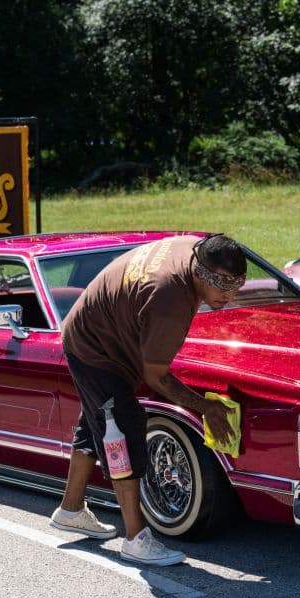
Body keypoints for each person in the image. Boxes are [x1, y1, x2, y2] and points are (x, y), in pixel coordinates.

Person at [50, 233, 244, 566]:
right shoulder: (170, 299)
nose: (229, 297)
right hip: (96, 350)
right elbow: (156, 376)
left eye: (236, 288)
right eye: (222, 289)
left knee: (96, 422)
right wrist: (206, 407)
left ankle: (70, 509)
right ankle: (136, 539)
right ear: (200, 273)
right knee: (121, 432)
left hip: (96, 331)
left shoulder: (193, 248)